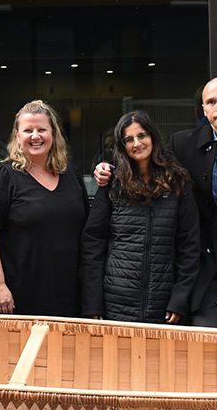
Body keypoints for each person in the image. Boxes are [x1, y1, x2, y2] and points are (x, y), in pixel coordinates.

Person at [95, 78, 217, 330]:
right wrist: (108, 170)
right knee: (206, 350)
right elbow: (145, 164)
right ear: (203, 110)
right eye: (212, 102)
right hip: (202, 272)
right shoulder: (182, 144)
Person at [81, 111, 199, 323]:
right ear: (121, 146)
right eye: (129, 139)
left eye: (142, 135)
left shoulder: (178, 183)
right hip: (115, 302)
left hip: (163, 303)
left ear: (153, 136)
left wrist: (180, 298)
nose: (137, 143)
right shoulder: (112, 184)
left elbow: (189, 246)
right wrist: (92, 302)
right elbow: (93, 245)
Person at [0, 101, 88, 316]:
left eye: (42, 130)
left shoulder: (71, 173)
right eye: (28, 130)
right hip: (17, 296)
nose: (35, 136)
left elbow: (83, 229)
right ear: (17, 135)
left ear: (53, 134)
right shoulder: (3, 176)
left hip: (67, 293)